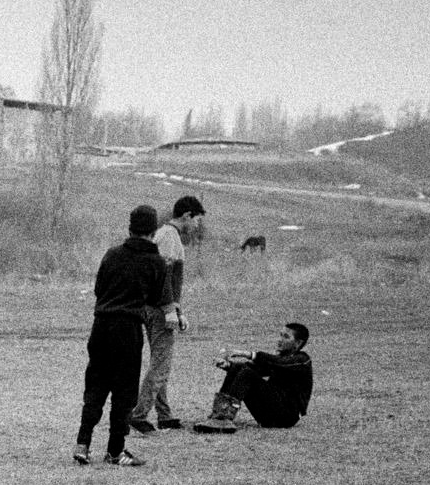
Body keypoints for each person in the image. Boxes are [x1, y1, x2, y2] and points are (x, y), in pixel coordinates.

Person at [74, 205, 177, 467]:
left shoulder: (112, 254)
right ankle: (115, 450)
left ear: (129, 228)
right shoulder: (156, 262)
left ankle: (83, 444)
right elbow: (158, 300)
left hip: (100, 326)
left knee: (96, 386)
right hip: (128, 329)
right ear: (153, 231)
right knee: (124, 392)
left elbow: (99, 289)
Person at [130, 195, 205, 434]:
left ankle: (164, 414)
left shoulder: (162, 234)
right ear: (187, 216)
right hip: (161, 310)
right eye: (196, 220)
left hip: (153, 308)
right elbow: (164, 280)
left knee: (159, 362)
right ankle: (139, 414)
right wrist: (172, 310)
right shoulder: (171, 238)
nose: (196, 226)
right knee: (161, 365)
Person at [194, 323, 313, 433]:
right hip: (268, 416)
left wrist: (248, 354)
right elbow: (259, 368)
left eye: (286, 337)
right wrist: (229, 366)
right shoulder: (280, 359)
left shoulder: (302, 360)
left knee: (247, 373)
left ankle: (223, 418)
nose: (280, 340)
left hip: (286, 418)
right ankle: (218, 416)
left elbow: (279, 362)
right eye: (280, 335)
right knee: (240, 370)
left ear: (298, 343)